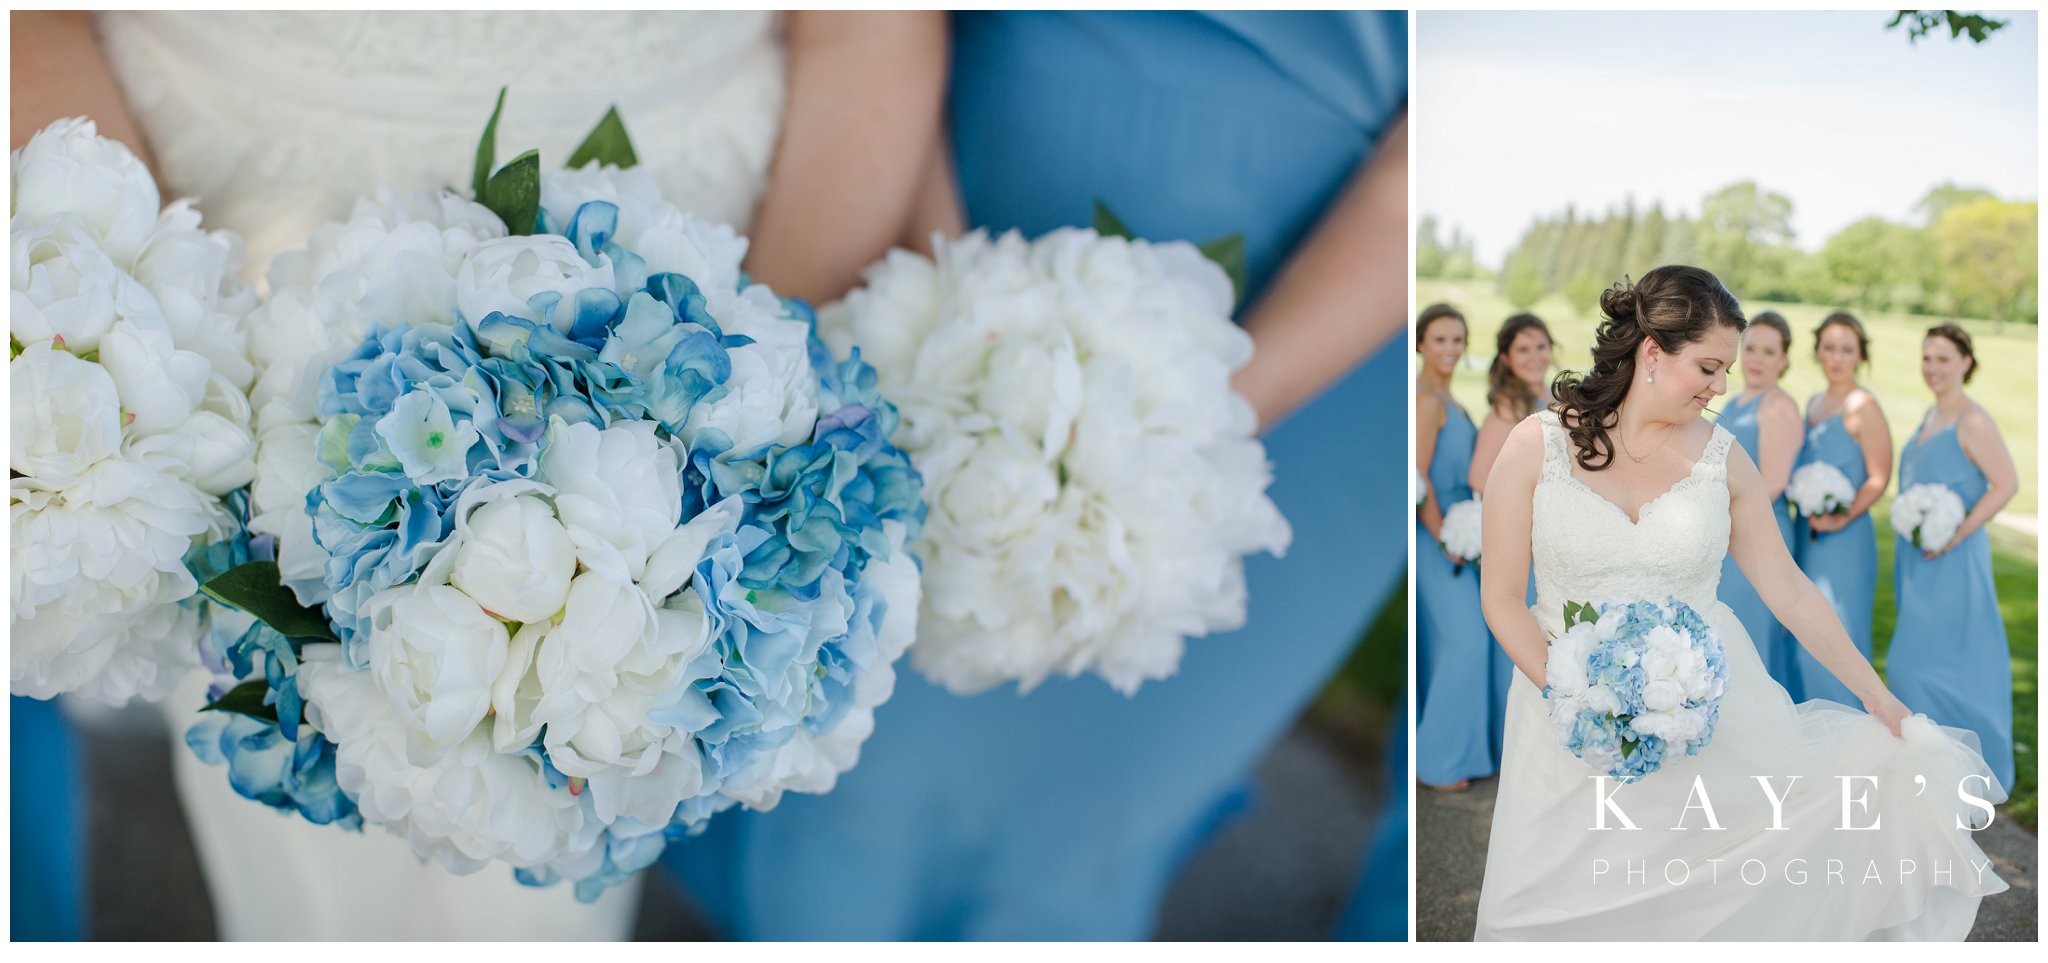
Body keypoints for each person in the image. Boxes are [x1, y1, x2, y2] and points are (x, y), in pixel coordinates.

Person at [11, 9, 947, 938]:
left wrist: (749, 433)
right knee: (304, 893)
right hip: (230, 308)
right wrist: (148, 341)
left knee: (554, 855)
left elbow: (870, 31)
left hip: (686, 298)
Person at [666, 10, 1410, 939]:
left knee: (1093, 806)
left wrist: (1180, 424)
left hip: (1339, 306)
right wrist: (946, 290)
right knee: (856, 766)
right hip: (969, 161)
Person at [1472, 266, 2005, 940]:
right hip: (1560, 723)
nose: (1721, 385)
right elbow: (1501, 598)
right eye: (1709, 366)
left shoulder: (1723, 459)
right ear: (1651, 353)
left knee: (1704, 908)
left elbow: (1788, 589)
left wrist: (1882, 701)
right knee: (1536, 914)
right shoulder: (1536, 445)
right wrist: (1580, 697)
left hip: (1709, 721)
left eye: (1727, 369)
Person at [1885, 324, 2017, 791]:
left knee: (1925, 664)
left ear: (1966, 361)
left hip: (1953, 561)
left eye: (1943, 358)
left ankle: (1972, 764)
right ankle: (1931, 770)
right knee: (1916, 661)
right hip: (1919, 559)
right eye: (1927, 358)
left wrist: (1954, 533)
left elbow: (2005, 484)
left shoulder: (1972, 420)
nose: (1933, 368)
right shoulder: (1929, 415)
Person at [1413, 304, 1508, 790]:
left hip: (1461, 533)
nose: (1450, 349)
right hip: (1437, 538)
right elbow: (1418, 478)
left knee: (1461, 642)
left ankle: (1460, 750)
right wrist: (1443, 537)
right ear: (1420, 344)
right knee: (1465, 642)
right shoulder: (1426, 401)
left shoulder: (1453, 400)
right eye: (1440, 339)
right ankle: (1436, 762)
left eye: (1457, 340)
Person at [1790, 312, 1891, 704]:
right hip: (1805, 534)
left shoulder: (1863, 406)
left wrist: (1837, 518)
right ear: (1817, 352)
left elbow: (1879, 478)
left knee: (1838, 636)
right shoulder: (1813, 403)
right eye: (1829, 348)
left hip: (1844, 540)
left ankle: (1851, 732)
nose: (1836, 358)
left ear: (1860, 355)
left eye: (1847, 350)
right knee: (1802, 637)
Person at [1711, 312, 1802, 692]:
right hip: (1727, 530)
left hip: (1759, 532)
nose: (1756, 359)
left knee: (1747, 634)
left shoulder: (1778, 406)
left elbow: (1774, 484)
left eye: (1769, 351)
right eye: (1751, 349)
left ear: (1783, 360)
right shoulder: (1737, 401)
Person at [1467, 313, 1553, 496]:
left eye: (1541, 347)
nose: (1534, 357)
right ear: (1506, 358)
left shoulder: (1557, 395)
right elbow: (1479, 477)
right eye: (1523, 350)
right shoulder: (1506, 408)